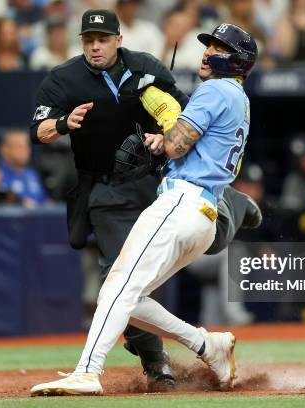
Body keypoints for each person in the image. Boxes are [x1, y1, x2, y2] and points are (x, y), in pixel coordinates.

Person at [28, 9, 260, 391]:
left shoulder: (214, 90)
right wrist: (164, 138)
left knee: (118, 285)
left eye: (217, 48)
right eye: (208, 46)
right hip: (194, 209)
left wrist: (162, 121)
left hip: (181, 201)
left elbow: (175, 140)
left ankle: (88, 371)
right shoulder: (237, 97)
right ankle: (207, 344)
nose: (206, 53)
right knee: (126, 295)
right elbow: (182, 144)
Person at [0, 129, 47, 208]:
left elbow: (45, 201)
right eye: (19, 147)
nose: (25, 151)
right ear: (4, 150)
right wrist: (20, 202)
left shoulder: (32, 174)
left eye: (26, 146)